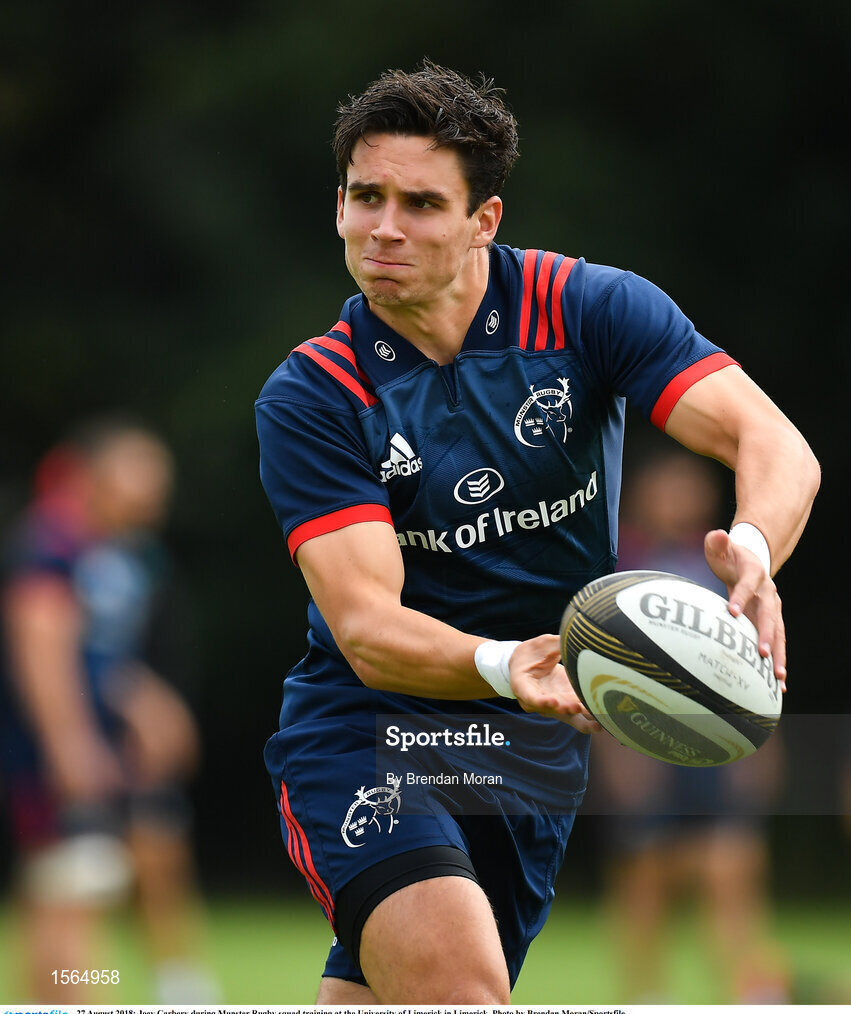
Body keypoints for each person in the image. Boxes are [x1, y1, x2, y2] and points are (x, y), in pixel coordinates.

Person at [254, 61, 819, 1004]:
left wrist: (754, 551)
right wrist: (503, 661)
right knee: (461, 991)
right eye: (365, 197)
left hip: (533, 745)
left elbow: (771, 440)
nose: (384, 227)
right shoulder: (316, 394)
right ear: (340, 203)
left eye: (421, 204)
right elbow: (365, 628)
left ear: (485, 221)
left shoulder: (586, 309)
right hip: (372, 734)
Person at [0, 418, 218, 1003]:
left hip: (115, 750)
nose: (152, 491)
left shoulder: (129, 556)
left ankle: (180, 988)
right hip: (53, 752)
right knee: (72, 885)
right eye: (137, 472)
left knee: (155, 849)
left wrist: (147, 701)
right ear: (91, 473)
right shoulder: (51, 542)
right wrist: (68, 743)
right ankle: (70, 997)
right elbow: (39, 643)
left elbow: (101, 655)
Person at [586, 446, 791, 1003]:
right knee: (645, 876)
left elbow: (760, 662)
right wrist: (615, 757)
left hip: (717, 745)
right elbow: (598, 673)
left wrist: (765, 747)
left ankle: (752, 991)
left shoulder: (727, 565)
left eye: (689, 485)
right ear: (645, 494)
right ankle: (644, 993)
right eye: (667, 485)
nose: (678, 496)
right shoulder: (616, 567)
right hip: (645, 748)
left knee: (733, 866)